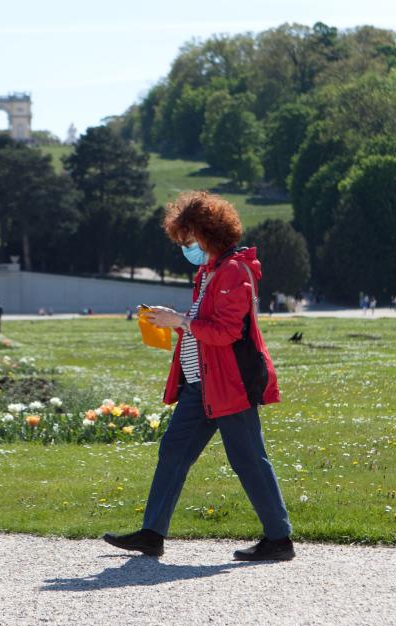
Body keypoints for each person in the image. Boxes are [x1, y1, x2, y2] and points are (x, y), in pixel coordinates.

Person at [102, 191, 294, 562]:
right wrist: (172, 319)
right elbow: (201, 328)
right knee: (173, 451)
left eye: (188, 239)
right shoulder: (208, 273)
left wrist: (182, 321)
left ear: (208, 232)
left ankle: (279, 538)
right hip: (199, 387)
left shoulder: (234, 272)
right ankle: (152, 533)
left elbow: (226, 332)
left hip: (228, 385)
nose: (186, 246)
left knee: (249, 459)